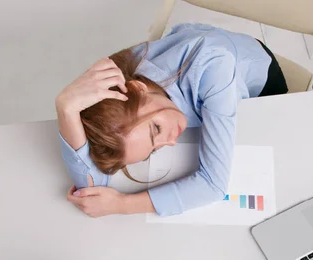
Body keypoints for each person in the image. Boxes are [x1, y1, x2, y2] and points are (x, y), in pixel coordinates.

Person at [56, 23, 288, 218]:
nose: (170, 142)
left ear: (139, 88)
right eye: (153, 150)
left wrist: (122, 205)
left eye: (156, 129)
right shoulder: (123, 85)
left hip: (261, 75)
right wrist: (66, 110)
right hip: (200, 47)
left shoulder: (215, 69)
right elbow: (92, 187)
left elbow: (213, 186)